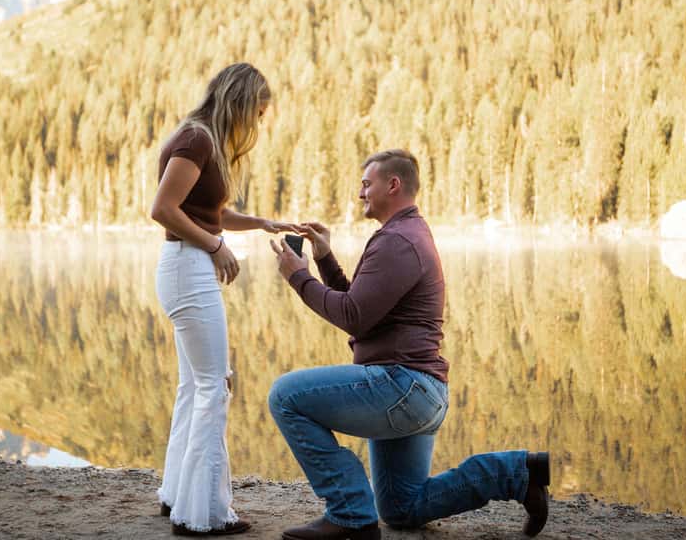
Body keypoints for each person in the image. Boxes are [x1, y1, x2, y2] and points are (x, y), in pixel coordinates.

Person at [268, 149, 550, 540]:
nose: (360, 192)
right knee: (402, 508)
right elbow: (364, 311)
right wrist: (325, 258)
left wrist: (298, 277)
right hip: (417, 391)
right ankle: (518, 473)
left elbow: (352, 317)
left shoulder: (397, 241)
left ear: (393, 185)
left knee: (284, 396)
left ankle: (350, 513)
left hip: (403, 387)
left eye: (367, 184)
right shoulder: (406, 234)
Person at [150, 62, 294, 536]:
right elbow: (163, 209)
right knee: (215, 387)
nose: (257, 123)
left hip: (186, 268)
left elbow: (208, 211)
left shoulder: (201, 138)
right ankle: (204, 515)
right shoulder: (198, 140)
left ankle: (178, 497)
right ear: (241, 100)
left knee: (194, 387)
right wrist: (215, 246)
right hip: (188, 269)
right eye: (257, 111)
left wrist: (259, 224)